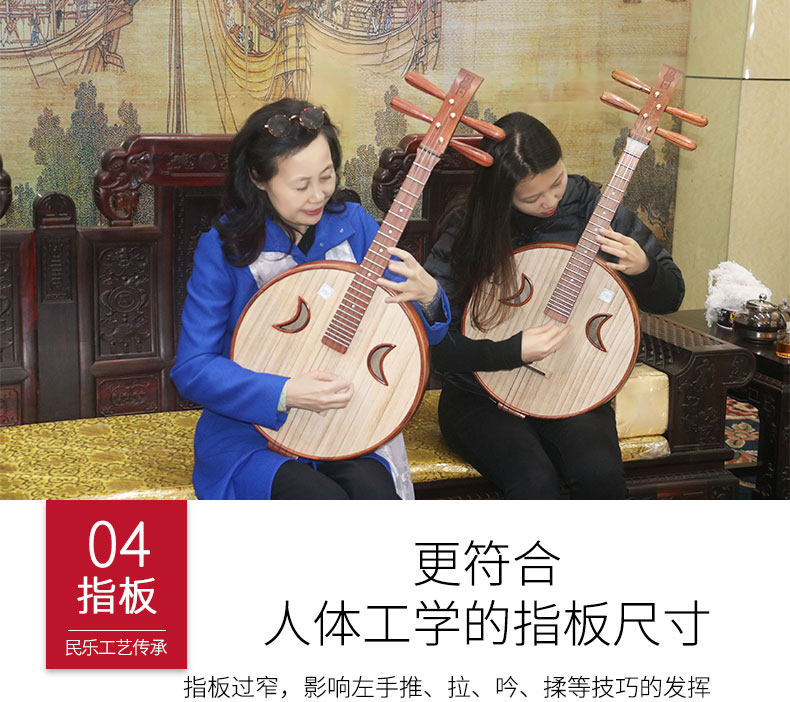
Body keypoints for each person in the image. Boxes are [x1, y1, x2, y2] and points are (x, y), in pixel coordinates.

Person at [171, 99, 449, 500]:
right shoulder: (224, 248)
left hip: (344, 421)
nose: (318, 195)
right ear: (259, 178)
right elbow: (193, 368)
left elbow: (413, 339)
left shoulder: (355, 226)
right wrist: (285, 392)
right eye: (301, 186)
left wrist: (429, 298)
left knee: (375, 495)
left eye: (327, 176)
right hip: (251, 430)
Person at [424, 112, 685, 499]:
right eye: (531, 197)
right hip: (478, 394)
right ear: (501, 194)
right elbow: (433, 339)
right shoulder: (469, 225)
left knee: (599, 475)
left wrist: (645, 269)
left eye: (557, 182)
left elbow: (672, 296)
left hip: (572, 387)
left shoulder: (594, 209)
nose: (549, 201)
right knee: (533, 480)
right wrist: (509, 354)